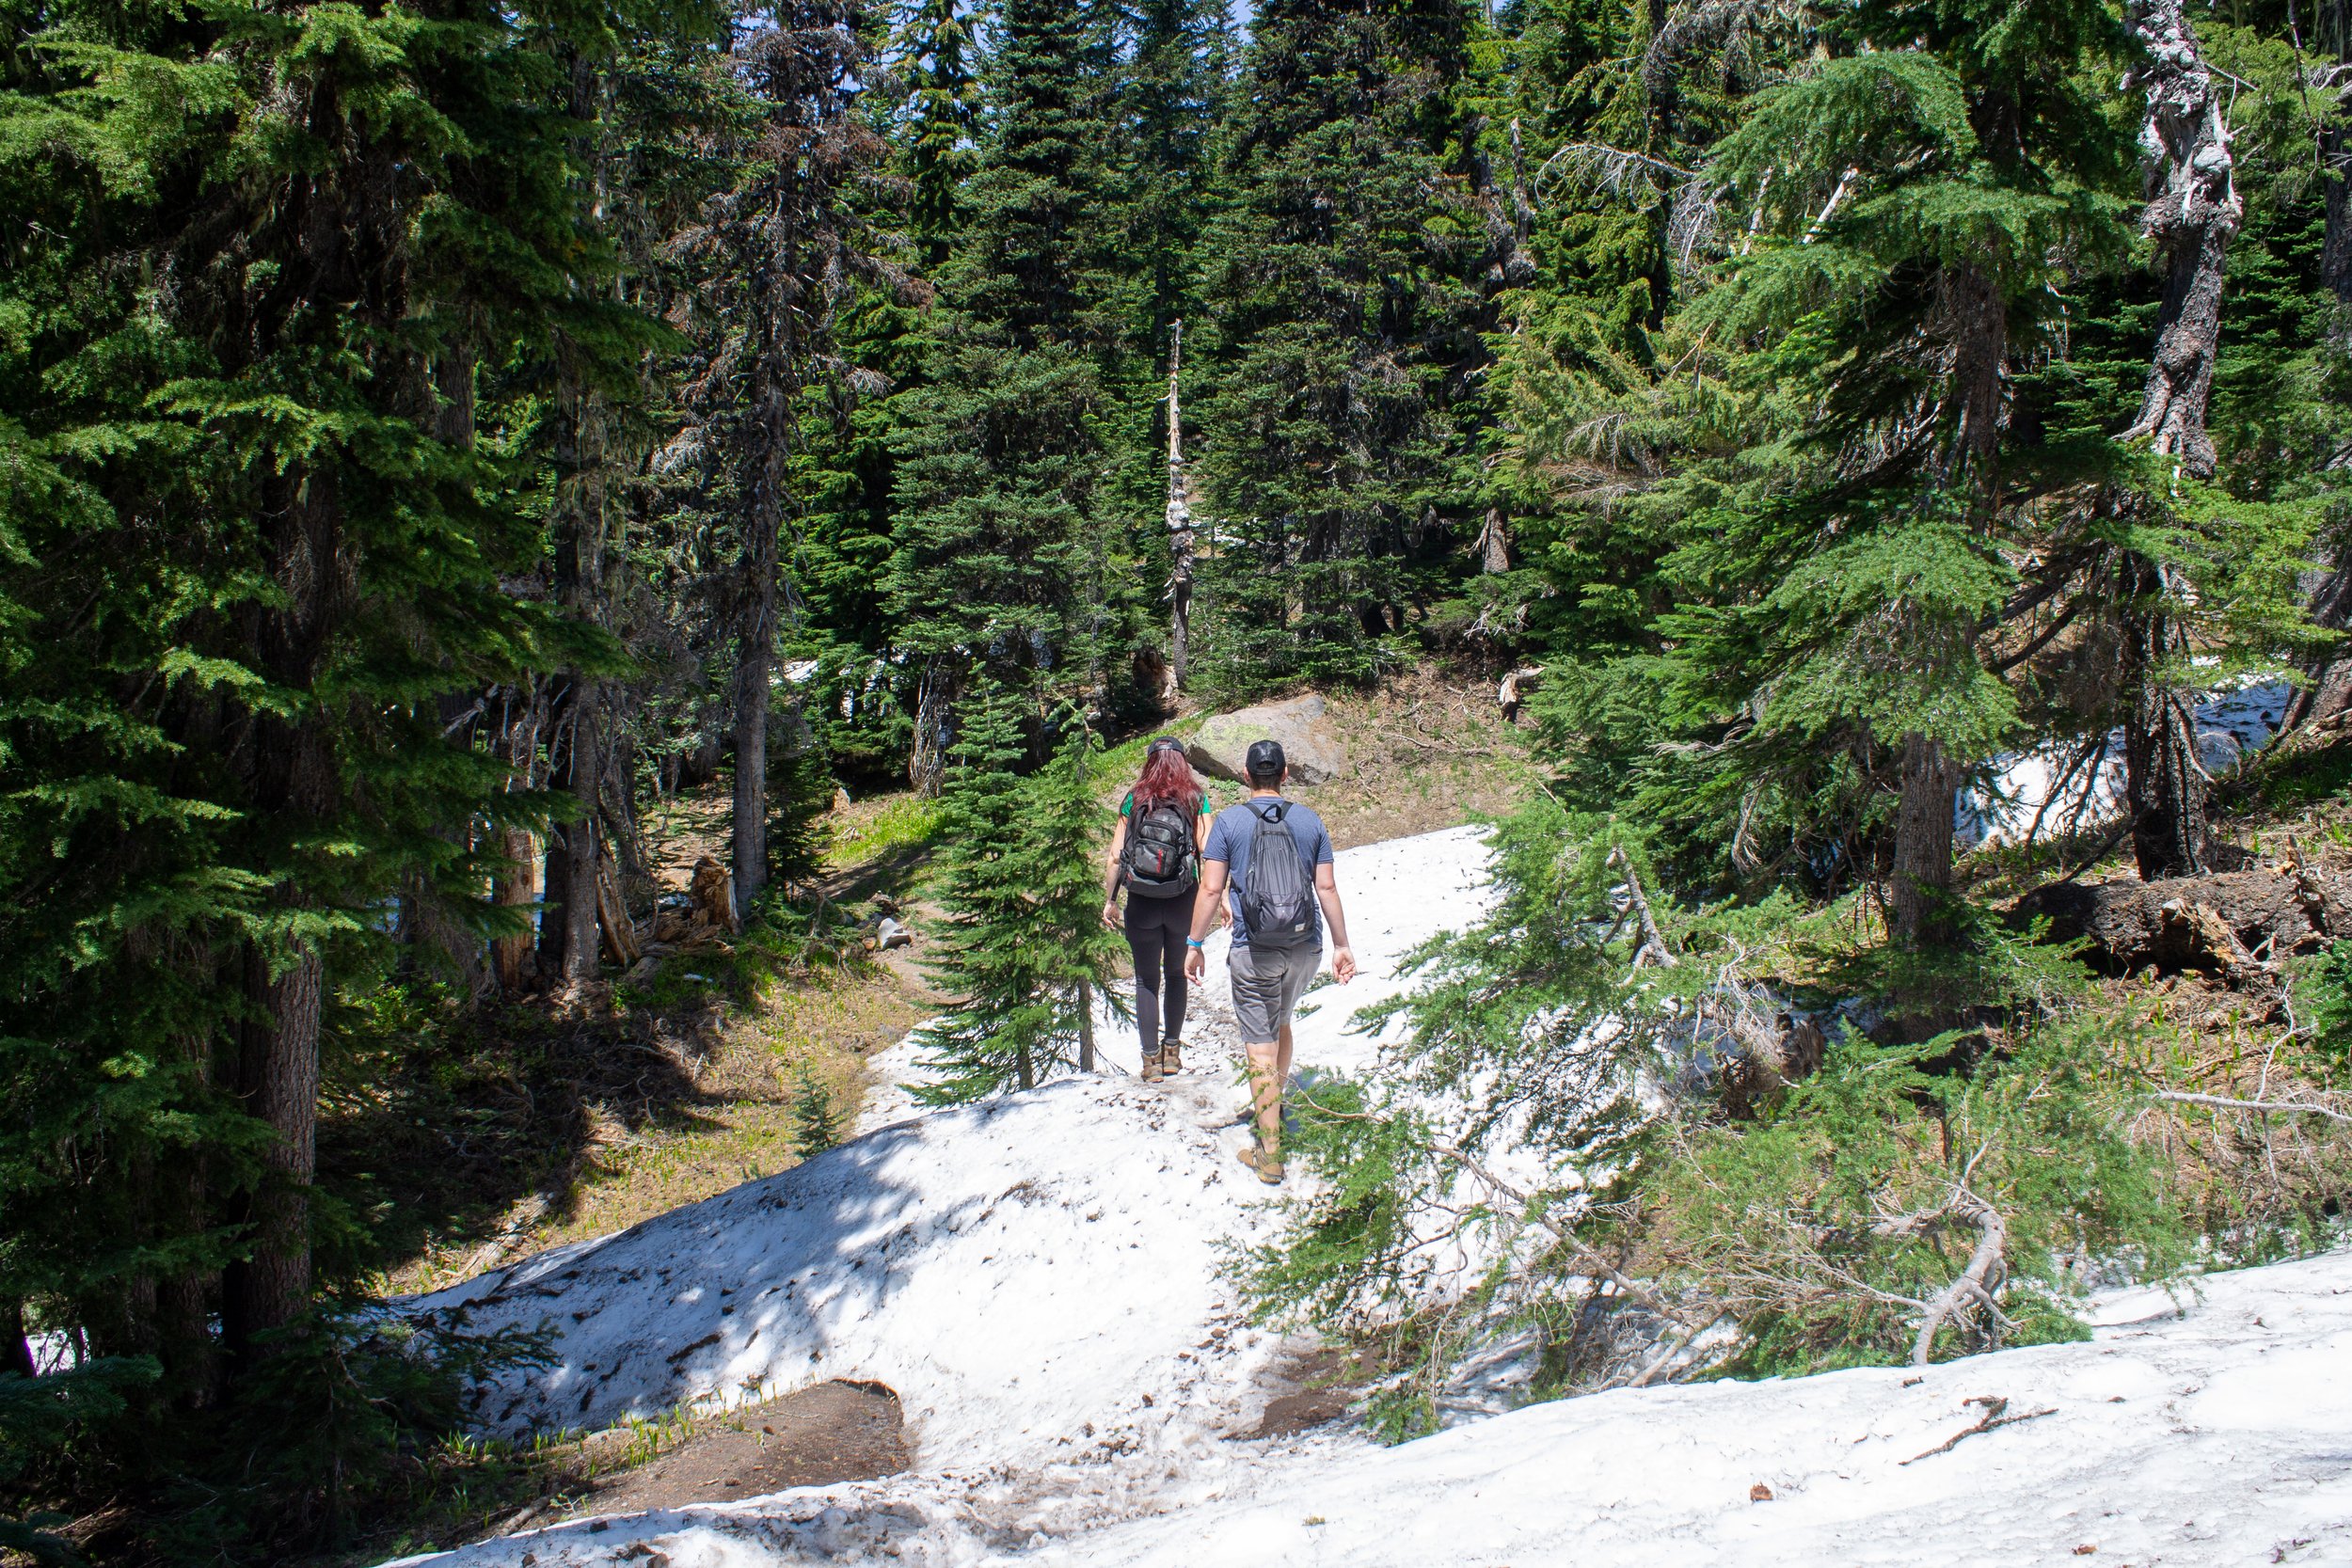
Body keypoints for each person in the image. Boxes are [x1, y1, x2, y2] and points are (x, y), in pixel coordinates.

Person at [1184, 739, 1356, 1183]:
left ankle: (1270, 1149)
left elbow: (1209, 889)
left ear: (1245, 774)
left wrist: (1194, 942)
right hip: (1304, 947)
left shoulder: (1229, 823)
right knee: (1281, 1025)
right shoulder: (1310, 820)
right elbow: (1328, 889)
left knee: (1260, 1041)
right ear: (1284, 774)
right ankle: (1273, 1110)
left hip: (1253, 949)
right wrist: (1341, 945)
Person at [1101, 737, 1216, 1082]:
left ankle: (1150, 1063)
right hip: (1183, 901)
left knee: (1146, 980)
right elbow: (1208, 853)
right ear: (1182, 762)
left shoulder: (1134, 799)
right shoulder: (1196, 798)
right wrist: (1219, 896)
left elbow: (1115, 857)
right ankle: (1172, 1055)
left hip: (1142, 903)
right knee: (1177, 976)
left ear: (1150, 762)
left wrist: (1110, 900)